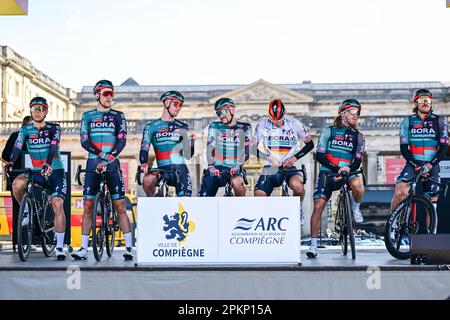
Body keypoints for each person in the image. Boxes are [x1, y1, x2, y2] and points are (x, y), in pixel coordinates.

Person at [72, 80, 133, 260]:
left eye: (111, 94)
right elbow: (84, 141)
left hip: (112, 162)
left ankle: (129, 247)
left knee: (120, 206)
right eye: (105, 94)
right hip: (93, 162)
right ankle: (83, 248)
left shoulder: (118, 116)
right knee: (88, 206)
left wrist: (108, 157)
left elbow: (121, 141)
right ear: (97, 95)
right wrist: (100, 155)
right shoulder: (87, 116)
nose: (109, 97)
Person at [5, 98, 67, 260]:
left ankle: (59, 247)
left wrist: (48, 163)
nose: (38, 111)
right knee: (17, 183)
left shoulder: (54, 128)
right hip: (37, 171)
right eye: (34, 109)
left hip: (55, 170)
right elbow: (18, 146)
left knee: (57, 204)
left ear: (46, 111)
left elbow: (54, 145)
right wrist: (11, 162)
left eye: (41, 109)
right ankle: (27, 211)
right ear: (31, 111)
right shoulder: (25, 130)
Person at [307, 99, 366, 258]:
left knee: (358, 184)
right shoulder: (328, 131)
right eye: (353, 112)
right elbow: (319, 155)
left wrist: (348, 169)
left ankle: (355, 207)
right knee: (318, 206)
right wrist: (336, 168)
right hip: (328, 173)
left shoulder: (359, 136)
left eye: (358, 113)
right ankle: (313, 245)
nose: (356, 115)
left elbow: (358, 160)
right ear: (343, 113)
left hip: (348, 172)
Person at [253, 98, 314, 225]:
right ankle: (268, 220)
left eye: (279, 120)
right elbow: (252, 149)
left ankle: (299, 209)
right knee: (259, 195)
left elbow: (310, 144)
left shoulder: (294, 123)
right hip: (270, 167)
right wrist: (269, 158)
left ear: (284, 114)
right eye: (273, 120)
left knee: (298, 187)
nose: (276, 123)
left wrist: (294, 158)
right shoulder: (262, 124)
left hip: (289, 166)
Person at [391, 89, 449, 213]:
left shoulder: (440, 121)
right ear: (415, 103)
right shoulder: (407, 121)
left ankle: (430, 232)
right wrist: (415, 164)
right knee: (400, 190)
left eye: (428, 100)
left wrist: (429, 165)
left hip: (432, 165)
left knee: (432, 203)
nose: (425, 102)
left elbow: (444, 147)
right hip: (413, 164)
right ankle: (393, 226)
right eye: (422, 100)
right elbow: (403, 148)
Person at [139, 90, 194, 197]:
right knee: (147, 180)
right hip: (162, 170)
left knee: (185, 203)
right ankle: (154, 204)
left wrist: (191, 142)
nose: (179, 108)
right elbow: (144, 147)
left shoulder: (183, 126)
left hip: (180, 170)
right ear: (166, 103)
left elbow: (188, 155)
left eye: (181, 105)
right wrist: (144, 162)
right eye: (176, 104)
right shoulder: (151, 126)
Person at [199, 98, 252, 196]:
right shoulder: (214, 126)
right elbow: (210, 147)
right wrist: (211, 166)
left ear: (232, 109)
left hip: (235, 169)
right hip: (217, 169)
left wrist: (238, 165)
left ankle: (241, 208)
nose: (221, 116)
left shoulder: (245, 127)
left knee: (238, 184)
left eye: (223, 111)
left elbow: (247, 150)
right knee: (204, 197)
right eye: (218, 113)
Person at [1, 116, 33, 252]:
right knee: (32, 208)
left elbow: (4, 155)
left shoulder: (14, 136)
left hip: (14, 177)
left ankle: (17, 243)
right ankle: (28, 242)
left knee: (17, 210)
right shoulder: (32, 136)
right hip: (30, 176)